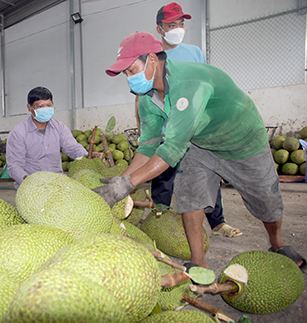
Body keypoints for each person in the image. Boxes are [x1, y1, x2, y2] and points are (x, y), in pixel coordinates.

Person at [94, 31, 306, 270]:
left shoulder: (188, 84)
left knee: (266, 200)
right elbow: (149, 145)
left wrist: (127, 185)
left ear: (152, 59)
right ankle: (198, 261)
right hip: (199, 143)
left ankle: (277, 242)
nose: (129, 79)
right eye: (126, 74)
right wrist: (121, 181)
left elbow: (171, 149)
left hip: (242, 140)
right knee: (190, 196)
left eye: (131, 70)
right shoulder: (146, 97)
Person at [139, 2, 241, 238]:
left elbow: (206, 85)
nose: (178, 28)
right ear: (159, 28)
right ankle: (160, 217)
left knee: (207, 174)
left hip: (196, 128)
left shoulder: (194, 52)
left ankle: (217, 222)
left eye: (181, 23)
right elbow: (144, 96)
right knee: (163, 176)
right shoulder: (152, 57)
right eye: (171, 24)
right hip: (167, 128)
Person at [6, 86, 91, 189]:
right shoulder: (18, 133)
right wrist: (28, 180)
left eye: (49, 105)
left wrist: (88, 157)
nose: (45, 109)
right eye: (40, 106)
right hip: (31, 188)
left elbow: (72, 148)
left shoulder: (59, 127)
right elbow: (14, 166)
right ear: (29, 107)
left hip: (58, 184)